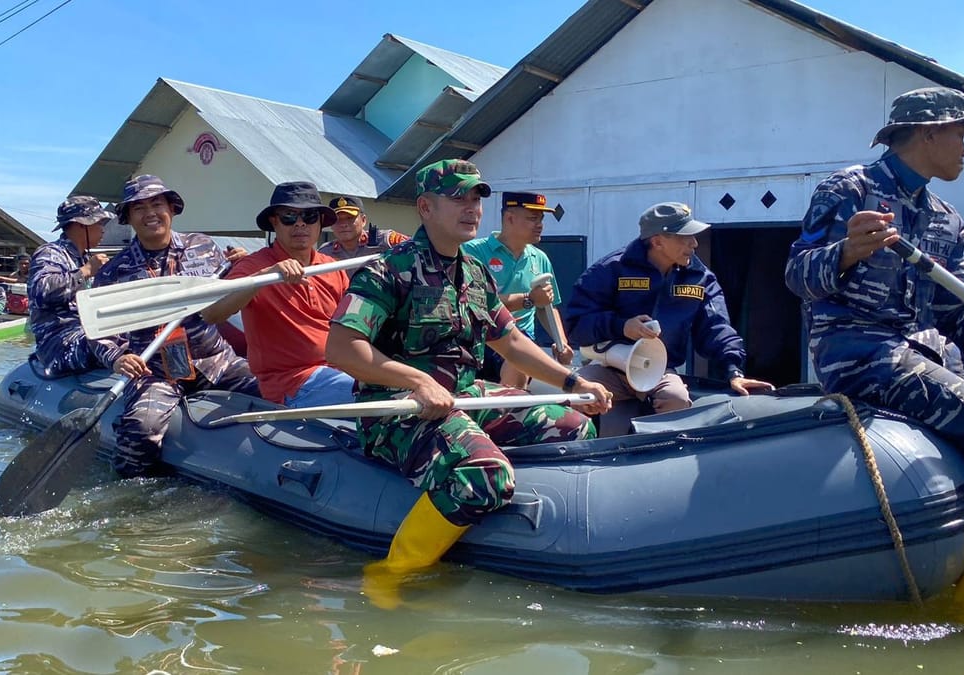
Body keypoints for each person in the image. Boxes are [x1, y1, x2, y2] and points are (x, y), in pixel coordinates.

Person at [784, 86, 964, 636]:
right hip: (862, 354)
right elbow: (797, 276)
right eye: (961, 135)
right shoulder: (849, 190)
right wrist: (846, 252)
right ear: (929, 132)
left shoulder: (946, 218)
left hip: (931, 354)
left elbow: (959, 314)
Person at [326, 159, 612, 609]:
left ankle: (526, 529)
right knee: (484, 475)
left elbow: (512, 340)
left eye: (477, 197)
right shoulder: (390, 270)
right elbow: (342, 349)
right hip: (398, 410)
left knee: (573, 423)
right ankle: (388, 574)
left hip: (463, 396)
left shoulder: (475, 273)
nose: (472, 207)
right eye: (458, 196)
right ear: (425, 207)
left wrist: (573, 379)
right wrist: (415, 379)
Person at [94, 174, 260, 478]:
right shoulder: (113, 273)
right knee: (141, 430)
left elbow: (226, 292)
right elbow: (99, 331)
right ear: (128, 218)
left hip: (215, 361)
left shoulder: (205, 246)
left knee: (272, 386)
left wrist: (245, 266)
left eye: (157, 204)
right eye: (139, 208)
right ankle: (135, 505)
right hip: (156, 371)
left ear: (171, 208)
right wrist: (117, 357)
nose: (150, 214)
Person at [563, 202, 772, 435]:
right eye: (685, 237)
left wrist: (733, 371)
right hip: (609, 369)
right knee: (576, 395)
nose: (694, 244)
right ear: (658, 241)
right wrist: (622, 327)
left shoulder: (699, 278)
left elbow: (716, 327)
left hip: (660, 371)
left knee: (677, 399)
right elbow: (576, 324)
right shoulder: (611, 270)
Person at [200, 181, 354, 407]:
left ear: (320, 222)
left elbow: (354, 326)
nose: (300, 224)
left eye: (310, 216)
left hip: (343, 369)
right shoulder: (254, 266)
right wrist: (264, 277)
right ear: (274, 222)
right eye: (289, 216)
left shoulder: (332, 267)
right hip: (292, 383)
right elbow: (212, 314)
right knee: (373, 394)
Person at [463, 192, 574, 388]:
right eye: (532, 218)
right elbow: (475, 302)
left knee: (520, 359)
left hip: (521, 340)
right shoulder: (473, 252)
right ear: (509, 218)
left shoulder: (540, 258)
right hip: (479, 337)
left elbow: (547, 306)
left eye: (541, 219)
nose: (540, 225)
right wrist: (528, 299)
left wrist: (561, 342)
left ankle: (508, 413)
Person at [28, 196, 114, 376]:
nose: (103, 229)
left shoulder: (82, 258)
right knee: (104, 342)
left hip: (85, 332)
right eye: (99, 223)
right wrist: (85, 271)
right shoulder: (51, 253)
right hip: (59, 343)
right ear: (81, 225)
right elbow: (41, 291)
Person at [317, 195, 408, 260]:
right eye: (338, 219)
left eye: (349, 218)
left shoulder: (387, 240)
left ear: (363, 220)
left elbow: (417, 249)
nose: (343, 224)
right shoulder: (324, 253)